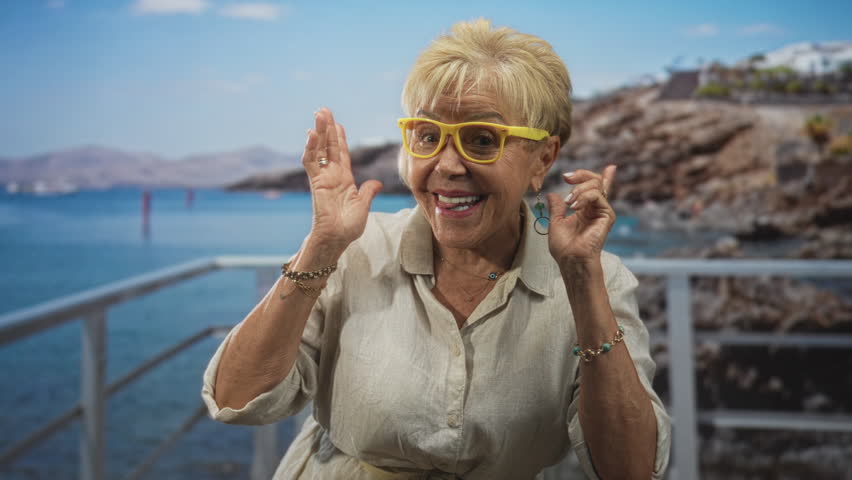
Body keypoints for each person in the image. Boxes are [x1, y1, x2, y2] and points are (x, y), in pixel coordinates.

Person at [201, 19, 671, 479]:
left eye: (481, 140)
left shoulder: (597, 279)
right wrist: (321, 246)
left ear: (542, 158)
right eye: (427, 136)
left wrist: (582, 284)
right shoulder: (354, 250)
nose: (446, 166)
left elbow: (629, 470)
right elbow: (235, 400)